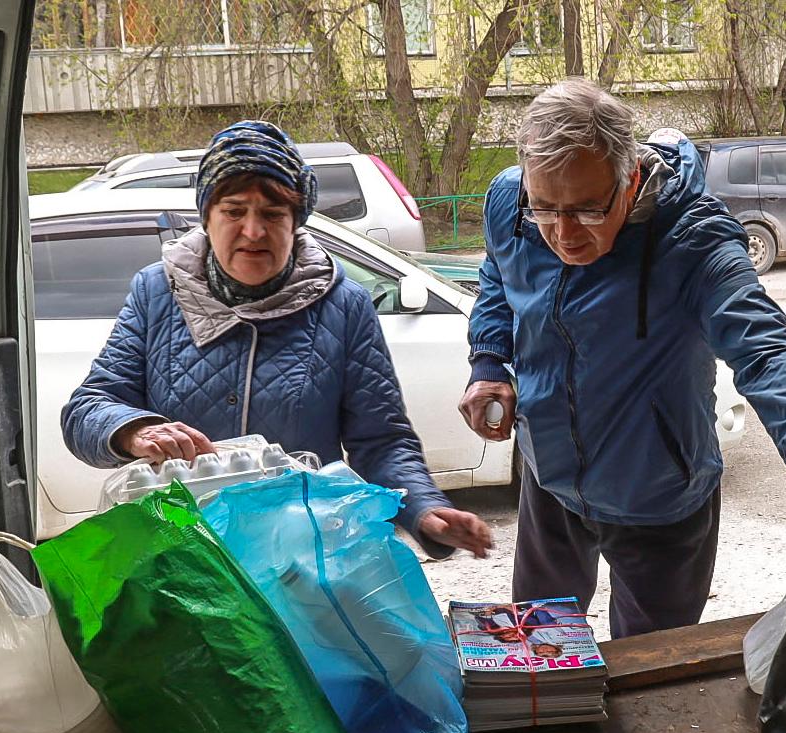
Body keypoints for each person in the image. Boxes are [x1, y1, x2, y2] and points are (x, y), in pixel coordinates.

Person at [456, 79, 786, 638]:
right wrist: (490, 361)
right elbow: (498, 274)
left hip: (659, 496)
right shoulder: (511, 204)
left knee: (648, 677)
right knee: (541, 648)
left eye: (587, 210)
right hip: (549, 479)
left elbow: (766, 346)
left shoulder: (693, 240)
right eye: (547, 210)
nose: (563, 234)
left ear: (630, 177)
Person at [63, 120, 492, 557]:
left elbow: (381, 440)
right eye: (233, 211)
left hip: (302, 559)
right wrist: (135, 431)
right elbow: (87, 410)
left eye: (272, 214)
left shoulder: (343, 305)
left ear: (296, 222)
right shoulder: (157, 292)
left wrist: (423, 509)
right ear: (207, 218)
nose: (253, 231)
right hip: (185, 558)